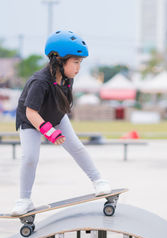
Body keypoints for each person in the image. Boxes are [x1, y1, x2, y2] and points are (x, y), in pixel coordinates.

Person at [11, 30, 111, 215]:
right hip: (31, 122)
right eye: (75, 62)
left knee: (77, 147)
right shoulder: (39, 82)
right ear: (58, 60)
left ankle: (99, 181)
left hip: (56, 117)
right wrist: (48, 131)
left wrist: (55, 125)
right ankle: (24, 200)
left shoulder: (67, 79)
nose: (78, 68)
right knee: (30, 158)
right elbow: (30, 112)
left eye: (80, 63)